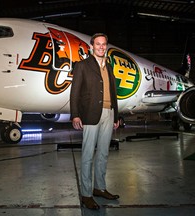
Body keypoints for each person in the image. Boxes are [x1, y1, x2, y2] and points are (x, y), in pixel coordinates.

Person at [70, 33, 120, 210]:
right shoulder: (82, 66)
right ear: (92, 46)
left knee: (104, 153)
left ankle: (99, 188)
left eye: (104, 44)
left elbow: (113, 92)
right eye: (97, 44)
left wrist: (117, 114)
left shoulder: (109, 66)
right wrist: (75, 114)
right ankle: (86, 194)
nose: (101, 47)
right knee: (88, 155)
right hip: (90, 114)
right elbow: (74, 92)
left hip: (109, 112)